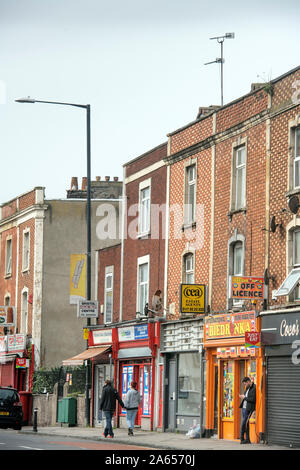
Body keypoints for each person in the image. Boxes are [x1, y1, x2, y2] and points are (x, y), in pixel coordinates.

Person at [239, 376, 256, 444]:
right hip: (244, 407)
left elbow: (253, 399)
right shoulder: (248, 388)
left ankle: (242, 438)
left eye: (245, 383)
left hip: (249, 408)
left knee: (244, 423)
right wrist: (243, 396)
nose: (245, 385)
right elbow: (247, 397)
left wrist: (244, 397)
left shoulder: (254, 388)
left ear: (248, 381)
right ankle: (248, 440)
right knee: (246, 424)